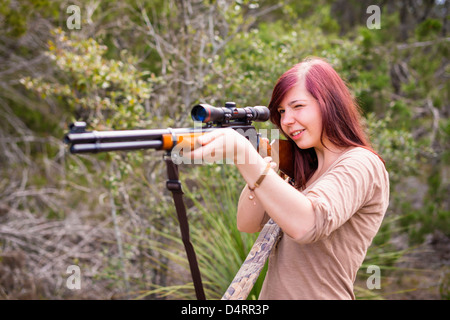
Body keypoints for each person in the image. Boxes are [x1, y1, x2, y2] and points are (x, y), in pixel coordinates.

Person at [186, 57, 390, 299]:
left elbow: (307, 224)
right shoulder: (298, 168)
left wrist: (245, 155)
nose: (286, 121)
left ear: (330, 104)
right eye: (282, 111)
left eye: (298, 107)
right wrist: (259, 162)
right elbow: (247, 223)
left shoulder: (361, 163)